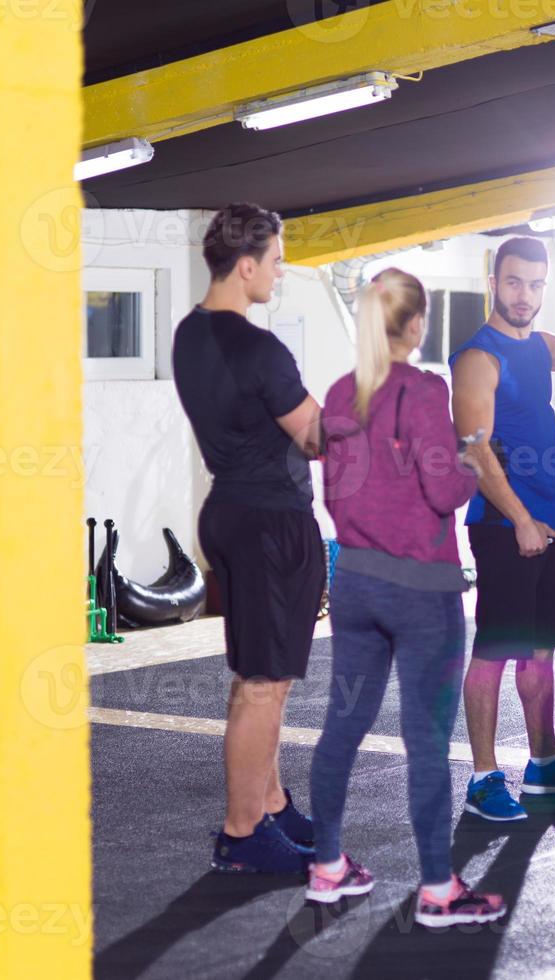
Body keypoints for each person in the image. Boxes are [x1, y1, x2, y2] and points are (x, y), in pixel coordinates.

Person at [305, 268, 506, 926]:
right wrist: (472, 458)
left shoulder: (339, 392)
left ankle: (328, 868)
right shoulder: (422, 391)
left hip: (354, 582)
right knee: (425, 742)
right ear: (416, 325)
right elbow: (442, 491)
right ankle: (438, 890)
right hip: (420, 590)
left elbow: (335, 493)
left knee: (342, 728)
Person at [172, 203, 325, 873]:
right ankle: (242, 833)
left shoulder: (187, 335)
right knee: (266, 684)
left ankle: (268, 804)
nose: (280, 272)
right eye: (276, 260)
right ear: (246, 266)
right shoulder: (260, 348)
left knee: (259, 675)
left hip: (228, 513)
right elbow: (318, 437)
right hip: (271, 524)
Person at [450, 236, 555, 821]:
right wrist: (520, 518)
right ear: (494, 283)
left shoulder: (541, 347)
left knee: (539, 650)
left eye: (536, 284)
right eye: (515, 282)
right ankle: (481, 778)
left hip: (544, 523)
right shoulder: (480, 356)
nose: (525, 295)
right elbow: (473, 451)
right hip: (504, 525)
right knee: (495, 651)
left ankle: (545, 764)